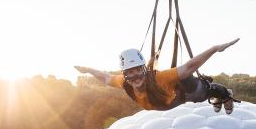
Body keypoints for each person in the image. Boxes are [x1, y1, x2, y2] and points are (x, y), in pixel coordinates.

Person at [75, 38, 239, 113]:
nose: (135, 77)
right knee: (189, 85)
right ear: (124, 75)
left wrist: (214, 48)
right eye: (130, 73)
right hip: (164, 101)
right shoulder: (124, 83)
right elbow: (105, 77)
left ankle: (226, 94)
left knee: (199, 90)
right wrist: (89, 70)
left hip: (177, 97)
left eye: (138, 70)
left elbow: (190, 66)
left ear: (144, 70)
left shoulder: (160, 78)